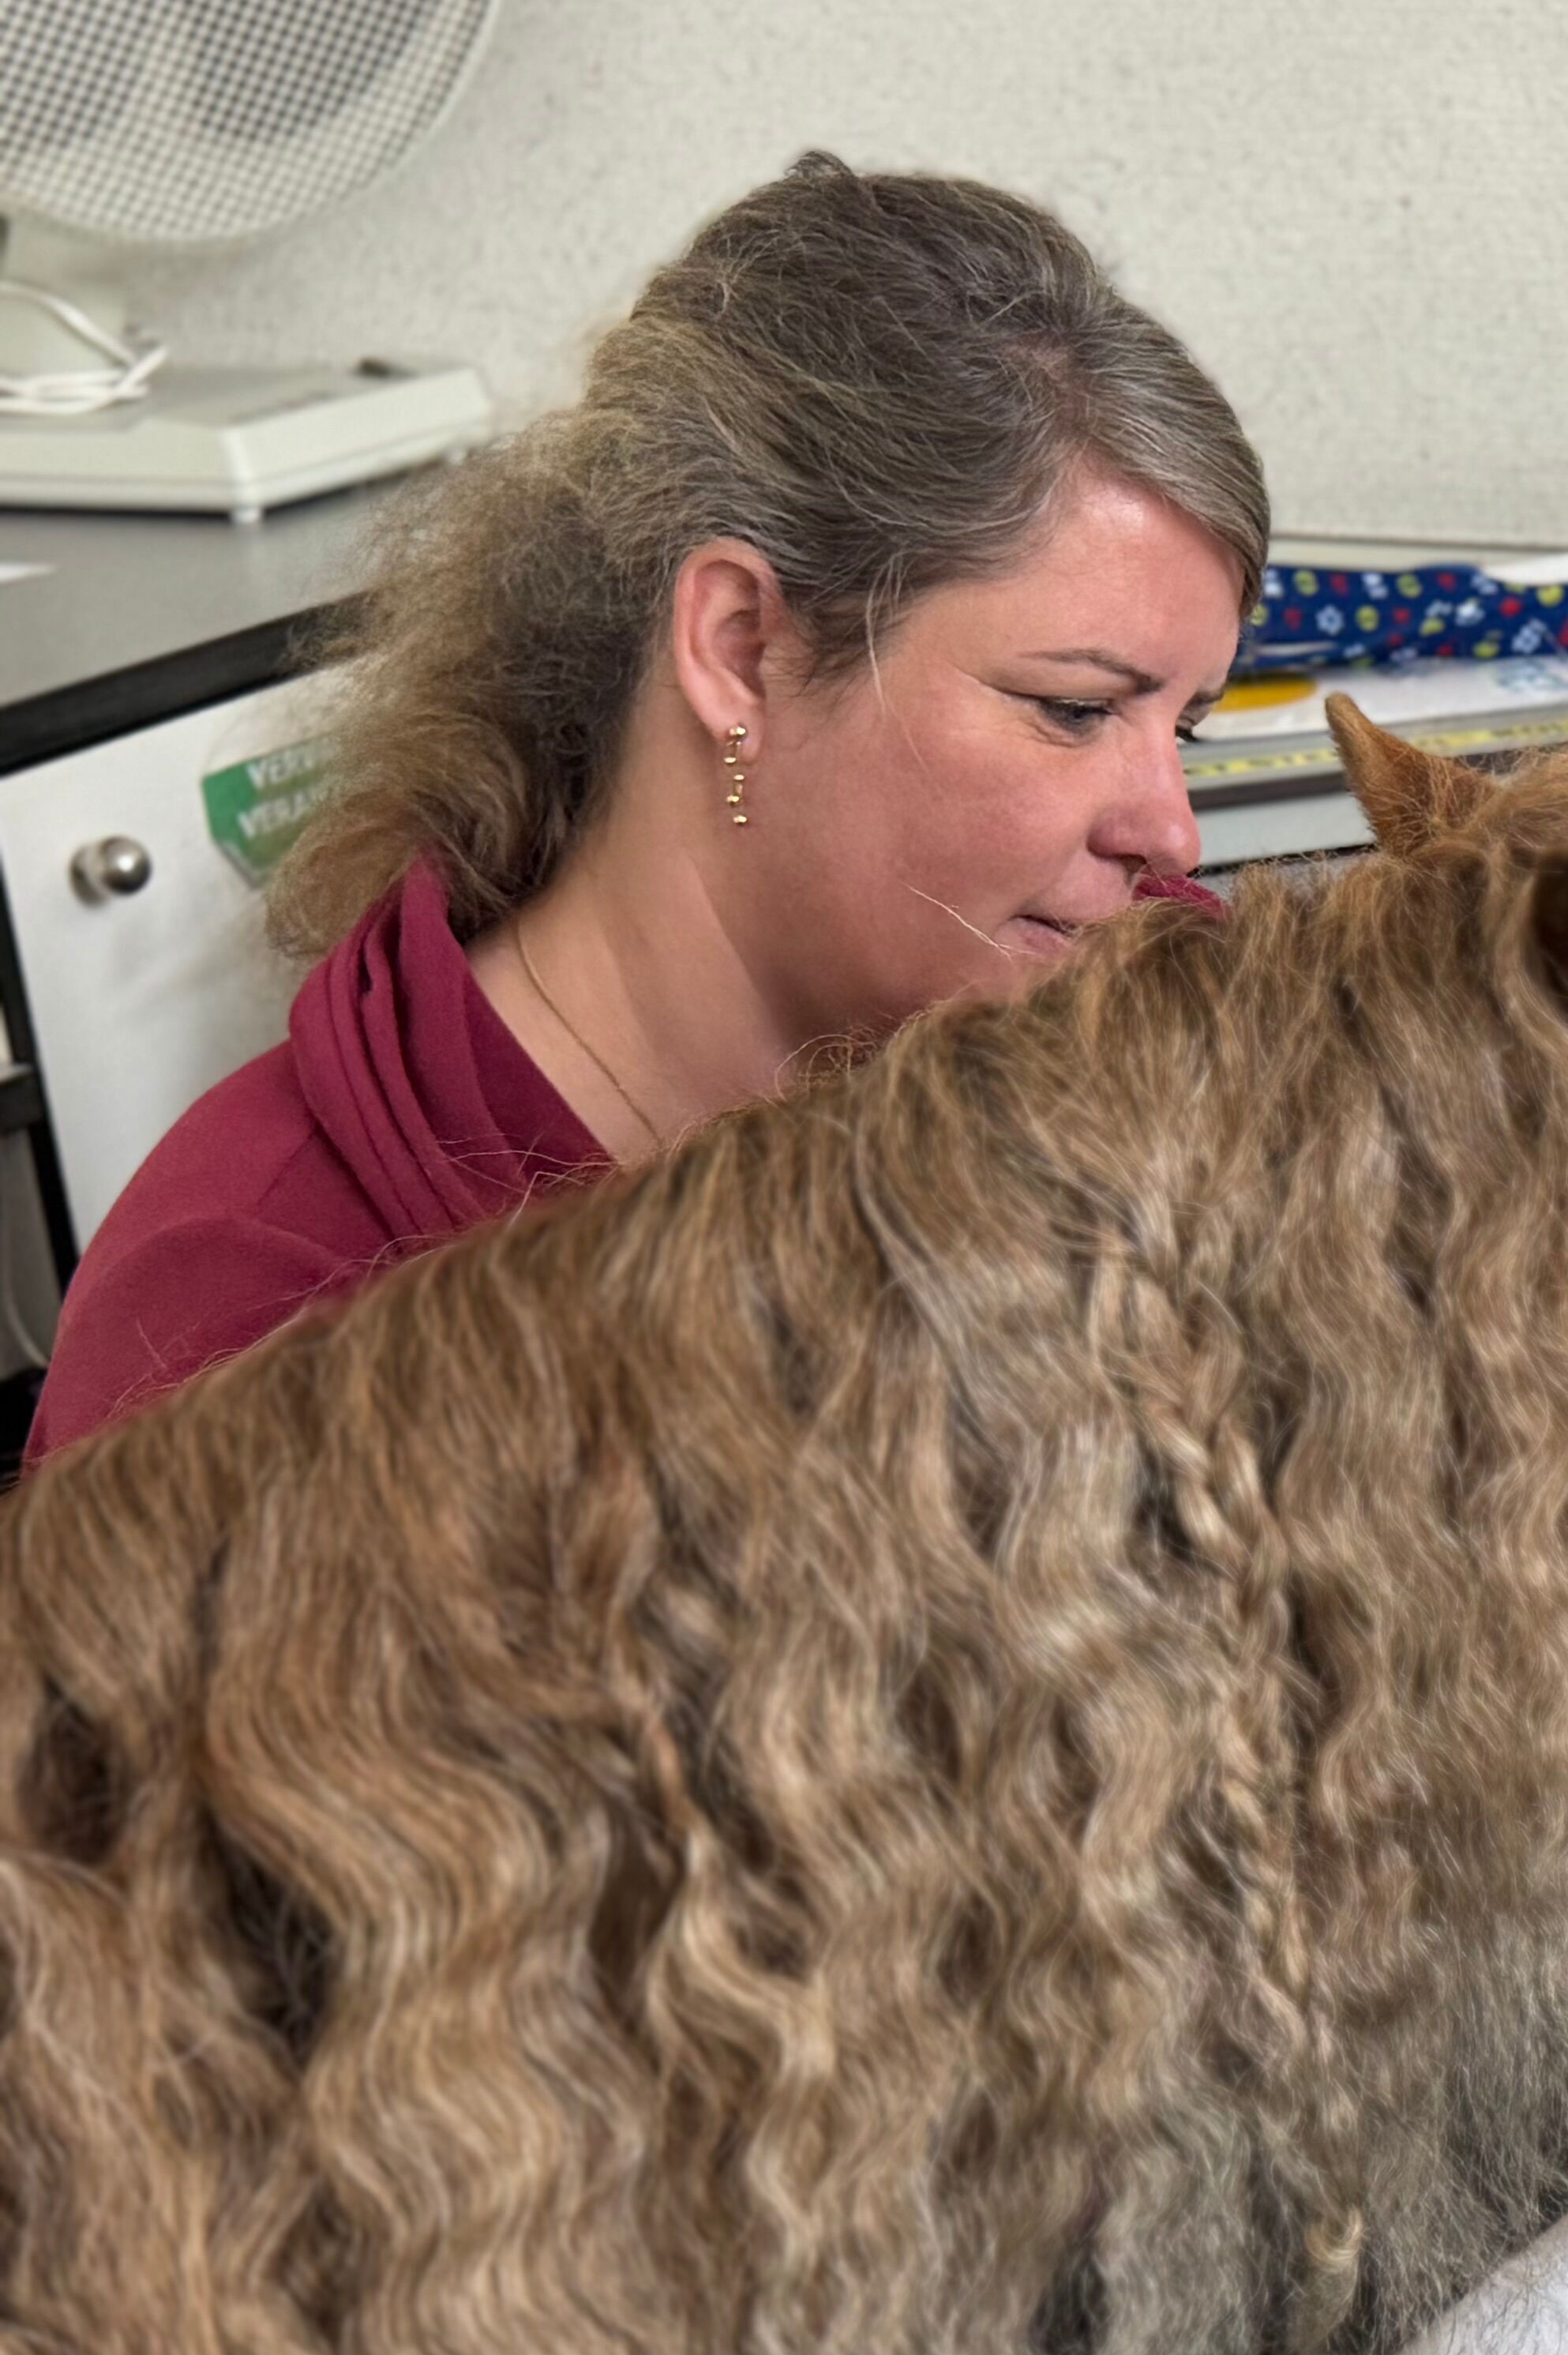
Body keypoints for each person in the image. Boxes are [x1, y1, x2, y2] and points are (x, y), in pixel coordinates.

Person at [27, 152, 1267, 1459]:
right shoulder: (251, 1314)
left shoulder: (1156, 1020)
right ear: (740, 649)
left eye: (1181, 726)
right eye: (1076, 709)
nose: (1171, 835)